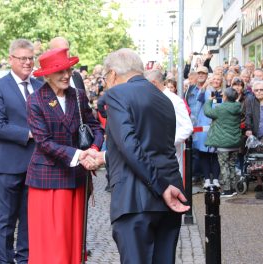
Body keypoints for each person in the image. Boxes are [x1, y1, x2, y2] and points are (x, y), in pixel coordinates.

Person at [83, 48, 189, 264]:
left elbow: (130, 146)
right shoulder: (164, 98)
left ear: (112, 74)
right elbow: (150, 144)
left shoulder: (117, 94)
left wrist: (160, 187)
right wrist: (104, 157)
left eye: (106, 78)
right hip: (170, 195)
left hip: (137, 199)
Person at [26, 47, 104, 263]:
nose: (67, 75)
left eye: (68, 70)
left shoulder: (77, 95)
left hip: (76, 178)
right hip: (48, 180)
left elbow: (95, 127)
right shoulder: (36, 100)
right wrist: (80, 155)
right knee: (53, 240)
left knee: (74, 238)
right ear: (47, 75)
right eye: (60, 71)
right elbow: (43, 142)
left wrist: (94, 150)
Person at [0, 39, 43, 264]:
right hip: (8, 165)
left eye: (30, 58)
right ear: (11, 59)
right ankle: (5, 261)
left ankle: (25, 259)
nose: (28, 63)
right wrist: (30, 134)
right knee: (7, 219)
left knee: (29, 218)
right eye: (23, 58)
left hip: (36, 164)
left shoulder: (40, 86)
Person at [144, 70, 193, 178]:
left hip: (170, 158)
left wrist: (166, 142)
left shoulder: (174, 100)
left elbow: (187, 127)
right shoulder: (151, 98)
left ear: (153, 83)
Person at [204, 87, 241, 197]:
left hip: (223, 143)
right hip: (235, 143)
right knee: (232, 166)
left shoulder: (221, 109)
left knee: (224, 166)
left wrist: (210, 100)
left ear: (225, 97)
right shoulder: (238, 107)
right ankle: (233, 189)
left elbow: (208, 112)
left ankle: (227, 190)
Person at [194, 73, 223, 188]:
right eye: (214, 79)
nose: (216, 81)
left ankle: (215, 179)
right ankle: (207, 179)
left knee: (216, 154)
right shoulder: (205, 91)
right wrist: (204, 86)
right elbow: (198, 99)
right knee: (204, 153)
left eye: (218, 79)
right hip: (204, 126)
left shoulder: (222, 93)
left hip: (217, 126)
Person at [245, 80, 263, 192]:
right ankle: (260, 183)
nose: (259, 92)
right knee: (257, 159)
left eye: (262, 90)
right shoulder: (250, 101)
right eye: (257, 90)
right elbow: (248, 116)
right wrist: (248, 129)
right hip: (256, 134)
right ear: (253, 91)